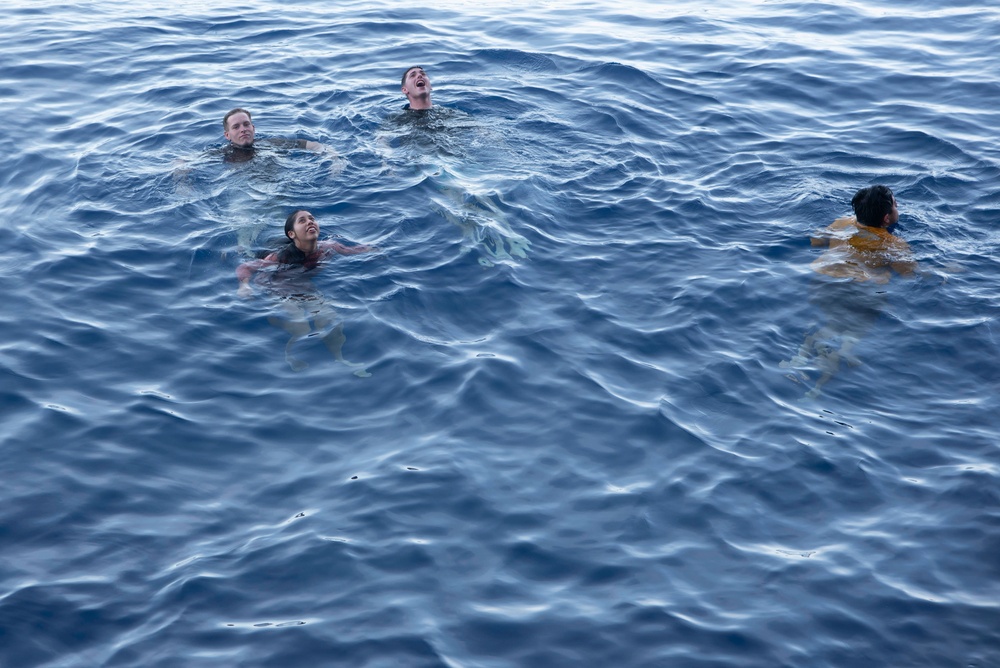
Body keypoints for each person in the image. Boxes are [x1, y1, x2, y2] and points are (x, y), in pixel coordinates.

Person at [781, 185, 916, 398]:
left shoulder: (842, 223)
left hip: (823, 281)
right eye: (896, 205)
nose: (898, 208)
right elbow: (909, 274)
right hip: (861, 291)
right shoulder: (894, 244)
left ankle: (799, 357)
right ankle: (816, 390)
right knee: (848, 339)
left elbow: (815, 241)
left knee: (822, 324)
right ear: (886, 219)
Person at [237, 210, 376, 374]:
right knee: (301, 326)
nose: (310, 222)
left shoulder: (328, 247)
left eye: (312, 219)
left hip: (303, 285)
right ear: (292, 234)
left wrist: (372, 250)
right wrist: (244, 285)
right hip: (278, 286)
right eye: (302, 221)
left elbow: (351, 250)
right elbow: (246, 267)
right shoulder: (279, 257)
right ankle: (289, 355)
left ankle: (342, 359)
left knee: (331, 319)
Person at [221, 108, 341, 165]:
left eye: (246, 124)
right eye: (236, 127)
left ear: (253, 128)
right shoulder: (220, 154)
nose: (243, 129)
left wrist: (334, 159)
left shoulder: (271, 143)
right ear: (227, 135)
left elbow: (315, 145)